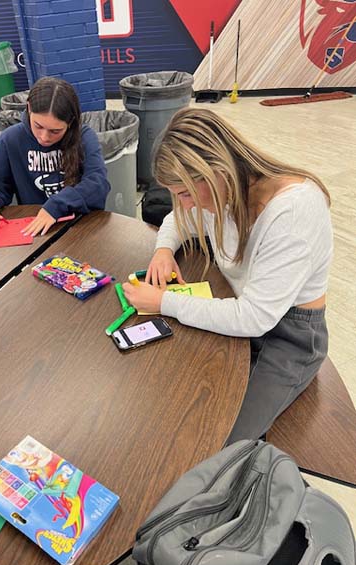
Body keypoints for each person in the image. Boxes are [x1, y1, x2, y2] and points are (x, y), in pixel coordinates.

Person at [123, 108, 332, 443]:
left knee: (219, 437)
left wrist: (163, 302)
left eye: (185, 193)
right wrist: (163, 250)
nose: (185, 205)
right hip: (242, 312)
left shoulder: (293, 213)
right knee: (170, 393)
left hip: (289, 336)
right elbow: (178, 221)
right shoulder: (225, 192)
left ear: (216, 171)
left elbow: (254, 318)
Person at [0, 77, 110, 236]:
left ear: (70, 122)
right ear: (29, 108)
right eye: (38, 126)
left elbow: (97, 184)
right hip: (35, 230)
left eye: (55, 131)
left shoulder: (84, 137)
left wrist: (56, 206)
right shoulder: (10, 139)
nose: (44, 137)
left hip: (80, 228)